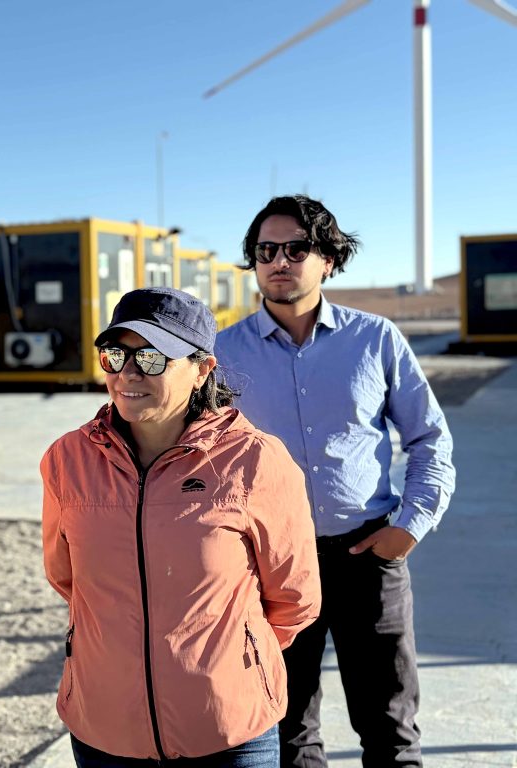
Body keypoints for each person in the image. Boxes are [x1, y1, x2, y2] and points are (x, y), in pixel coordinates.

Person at [215, 195, 456, 767]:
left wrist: (409, 527)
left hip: (368, 556)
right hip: (268, 568)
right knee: (287, 731)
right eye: (265, 250)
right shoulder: (220, 354)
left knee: (391, 729)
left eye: (296, 248)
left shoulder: (375, 339)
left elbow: (430, 439)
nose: (279, 261)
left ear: (328, 259)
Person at [41, 287, 322, 767]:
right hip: (106, 729)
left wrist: (226, 663)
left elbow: (294, 598)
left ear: (202, 369)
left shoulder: (255, 461)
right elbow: (67, 578)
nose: (128, 374)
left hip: (229, 732)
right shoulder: (68, 459)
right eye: (116, 355)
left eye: (152, 358)